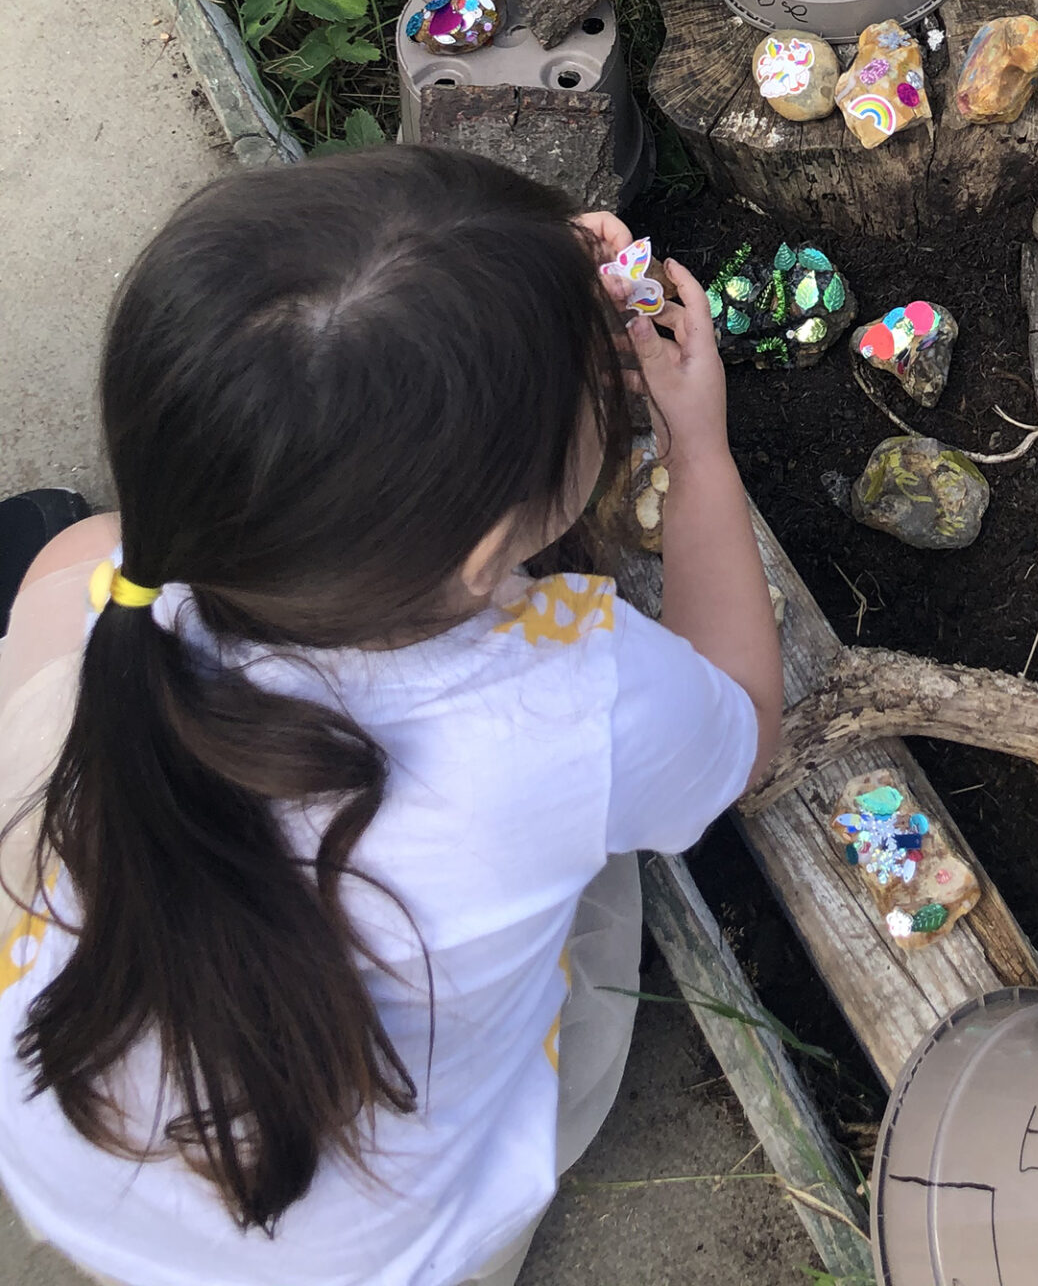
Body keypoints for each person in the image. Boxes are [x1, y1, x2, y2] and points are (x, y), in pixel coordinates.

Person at [0, 146, 782, 1285]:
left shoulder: (135, 594)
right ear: (483, 554)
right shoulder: (577, 700)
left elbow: (353, 329)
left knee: (66, 560)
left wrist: (501, 293)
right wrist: (702, 450)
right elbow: (745, 736)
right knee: (606, 865)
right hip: (392, 1256)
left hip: (70, 1171)